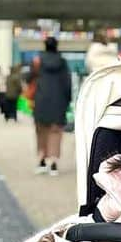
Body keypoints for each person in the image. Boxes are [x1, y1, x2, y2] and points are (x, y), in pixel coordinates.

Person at [33, 36, 72, 175]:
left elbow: (31, 79)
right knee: (55, 132)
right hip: (59, 101)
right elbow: (68, 83)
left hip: (41, 100)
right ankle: (54, 163)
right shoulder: (62, 62)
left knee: (41, 130)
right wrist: (67, 100)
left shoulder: (38, 61)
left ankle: (42, 160)